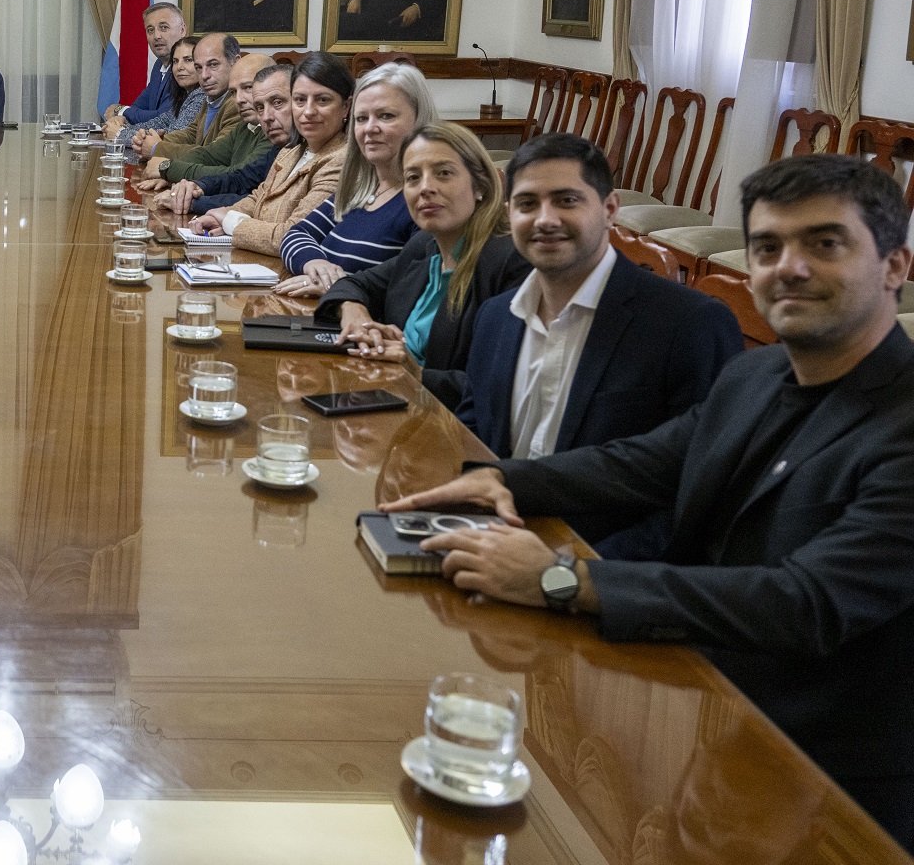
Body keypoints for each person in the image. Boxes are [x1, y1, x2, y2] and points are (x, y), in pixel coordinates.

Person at [382, 155, 914, 851]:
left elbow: (805, 602)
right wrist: (509, 481)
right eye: (767, 247)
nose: (788, 267)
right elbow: (651, 462)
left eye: (825, 244)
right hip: (696, 711)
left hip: (824, 781)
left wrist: (559, 578)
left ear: (896, 266)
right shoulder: (759, 374)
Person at [457, 134, 742, 548]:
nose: (545, 219)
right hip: (492, 540)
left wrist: (573, 573)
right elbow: (476, 436)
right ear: (508, 214)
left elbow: (700, 495)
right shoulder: (496, 316)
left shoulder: (689, 323)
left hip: (599, 567)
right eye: (527, 204)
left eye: (567, 201)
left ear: (610, 210)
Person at [318, 122, 531, 408]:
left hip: (451, 426)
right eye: (413, 177)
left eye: (443, 173)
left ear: (481, 184)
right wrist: (354, 312)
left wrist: (416, 374)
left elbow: (501, 387)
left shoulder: (509, 260)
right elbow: (355, 283)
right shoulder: (425, 246)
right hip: (395, 402)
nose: (426, 188)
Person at [273, 60, 434, 297]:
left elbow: (414, 285)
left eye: (386, 116)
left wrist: (339, 285)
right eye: (361, 118)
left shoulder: (425, 200)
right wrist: (314, 263)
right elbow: (295, 235)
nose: (370, 128)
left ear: (419, 120)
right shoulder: (361, 189)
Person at [188, 51, 351, 255]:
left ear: (346, 107)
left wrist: (230, 221)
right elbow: (258, 198)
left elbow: (294, 235)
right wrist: (222, 215)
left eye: (322, 100)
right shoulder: (291, 150)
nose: (308, 111)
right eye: (300, 100)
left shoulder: (342, 160)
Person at [155, 60, 294, 215]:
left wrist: (190, 200)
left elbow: (260, 201)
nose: (239, 100)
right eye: (260, 106)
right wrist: (195, 185)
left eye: (277, 103)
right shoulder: (279, 144)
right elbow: (239, 177)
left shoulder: (282, 139)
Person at [134, 51, 273, 190]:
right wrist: (170, 175)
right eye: (234, 92)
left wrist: (167, 168)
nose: (239, 99)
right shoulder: (246, 126)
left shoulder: (275, 132)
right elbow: (207, 154)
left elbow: (237, 177)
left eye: (248, 87)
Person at [132, 33, 240, 162]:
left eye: (213, 65)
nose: (204, 75)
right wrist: (148, 141)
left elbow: (214, 155)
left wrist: (156, 148)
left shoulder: (238, 103)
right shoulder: (212, 97)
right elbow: (190, 134)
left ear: (235, 62)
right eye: (199, 67)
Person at [100, 1, 187, 134]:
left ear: (182, 31)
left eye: (164, 27)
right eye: (150, 30)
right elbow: (140, 105)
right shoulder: (159, 65)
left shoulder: (186, 70)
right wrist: (122, 117)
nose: (156, 36)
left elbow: (161, 118)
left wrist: (121, 110)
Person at [116, 35, 203, 148]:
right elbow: (161, 122)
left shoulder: (202, 96)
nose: (179, 67)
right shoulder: (185, 95)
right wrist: (123, 126)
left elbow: (174, 136)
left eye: (188, 60)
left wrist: (119, 134)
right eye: (175, 61)